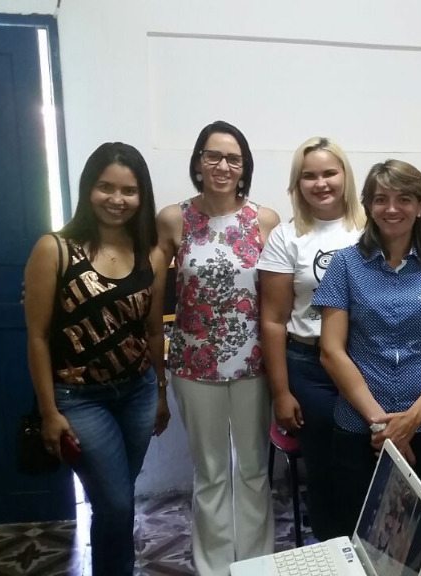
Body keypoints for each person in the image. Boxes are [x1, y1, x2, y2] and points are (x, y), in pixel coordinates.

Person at [25, 142, 169, 576]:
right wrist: (49, 412)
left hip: (139, 392)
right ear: (88, 188)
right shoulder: (55, 249)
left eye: (129, 190)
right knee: (117, 503)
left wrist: (161, 393)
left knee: (116, 498)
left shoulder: (151, 253)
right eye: (106, 187)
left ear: (142, 196)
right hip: (79, 399)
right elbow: (37, 337)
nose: (116, 199)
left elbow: (153, 330)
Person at [315, 159, 421, 538]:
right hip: (360, 428)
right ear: (368, 205)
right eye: (381, 199)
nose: (392, 208)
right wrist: (384, 427)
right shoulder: (344, 265)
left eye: (404, 199)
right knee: (359, 531)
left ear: (420, 205)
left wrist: (411, 421)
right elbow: (331, 351)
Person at [158, 121, 280, 575]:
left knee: (253, 469)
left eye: (233, 158)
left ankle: (256, 565)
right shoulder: (174, 218)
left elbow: (277, 295)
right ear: (198, 162)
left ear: (244, 167)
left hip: (254, 364)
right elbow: (148, 287)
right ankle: (213, 567)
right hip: (194, 365)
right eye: (213, 156)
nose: (223, 166)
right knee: (209, 473)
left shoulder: (264, 220)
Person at [256, 137, 363, 540]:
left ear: (345, 176)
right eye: (309, 176)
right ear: (297, 183)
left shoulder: (370, 229)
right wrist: (281, 392)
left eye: (329, 173)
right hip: (310, 368)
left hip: (367, 362)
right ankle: (332, 552)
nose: (321, 183)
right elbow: (273, 320)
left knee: (368, 464)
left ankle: (374, 556)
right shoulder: (286, 237)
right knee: (324, 470)